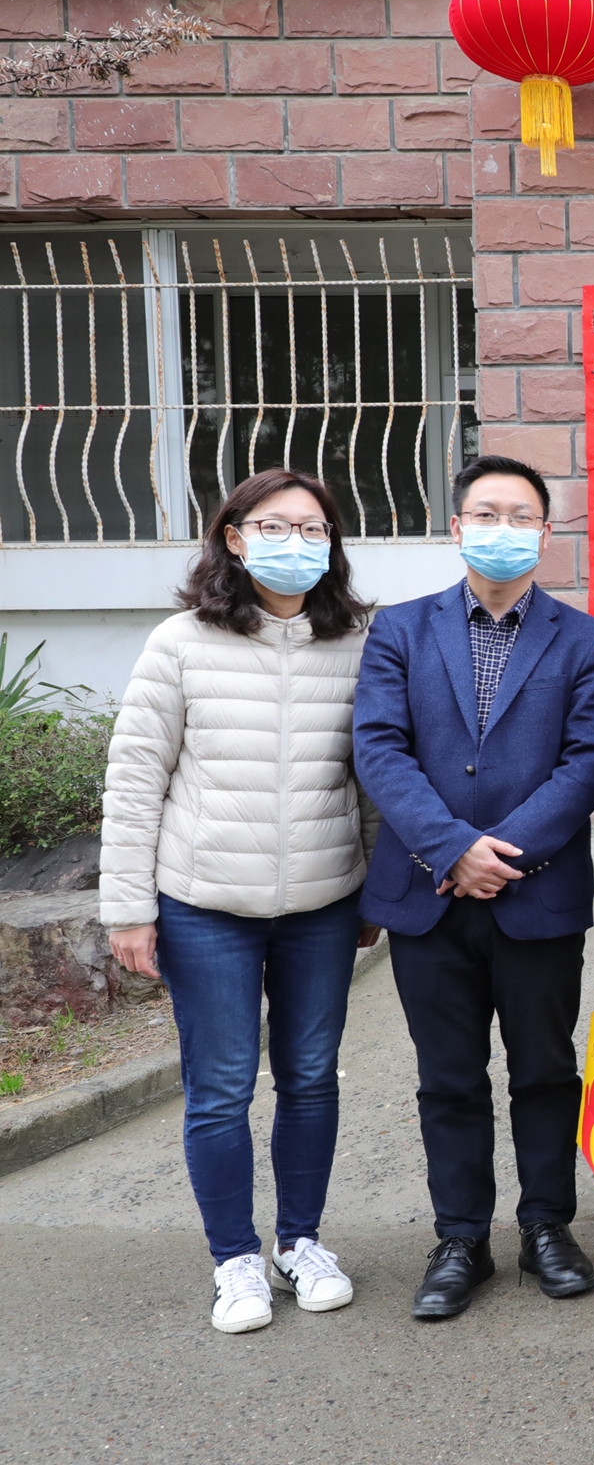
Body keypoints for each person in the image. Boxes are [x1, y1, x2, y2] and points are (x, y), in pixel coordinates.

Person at [99, 468, 378, 1335]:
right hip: (204, 903)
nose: (296, 543)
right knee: (220, 1088)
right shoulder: (181, 642)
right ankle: (235, 1260)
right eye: (274, 526)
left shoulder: (358, 642)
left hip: (323, 902)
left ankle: (301, 1243)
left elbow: (374, 775)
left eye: (313, 529)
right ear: (233, 536)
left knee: (310, 1077)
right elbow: (136, 779)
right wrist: (128, 907)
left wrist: (378, 888)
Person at [351, 455, 594, 1320]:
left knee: (546, 1069)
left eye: (521, 516)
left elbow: (588, 762)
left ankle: (547, 1226)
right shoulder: (400, 630)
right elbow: (379, 749)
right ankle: (460, 1238)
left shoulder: (586, 640)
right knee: (449, 1078)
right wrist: (451, 849)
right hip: (427, 896)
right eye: (486, 513)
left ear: (545, 533)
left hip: (535, 895)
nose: (503, 529)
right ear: (457, 526)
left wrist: (501, 855)